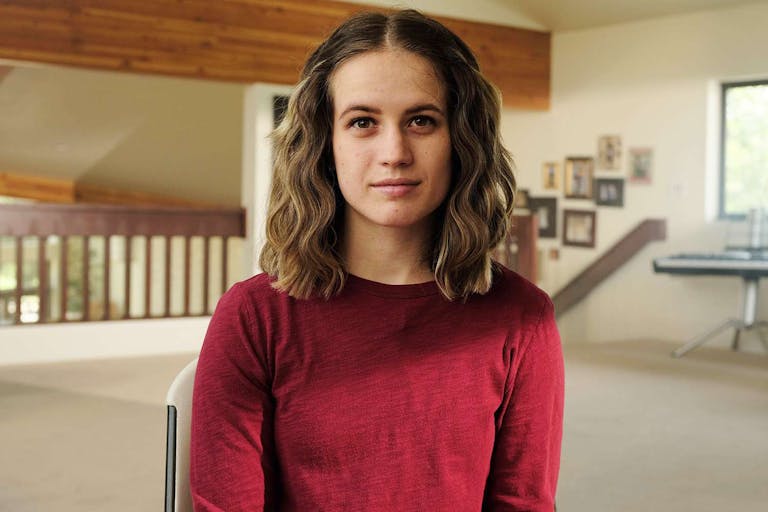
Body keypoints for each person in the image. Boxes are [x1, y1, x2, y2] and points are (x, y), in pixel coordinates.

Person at [190, 9, 563, 512]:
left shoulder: (522, 317)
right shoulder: (253, 316)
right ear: (327, 144)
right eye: (363, 122)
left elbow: (523, 504)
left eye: (422, 121)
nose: (394, 152)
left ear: (461, 140)